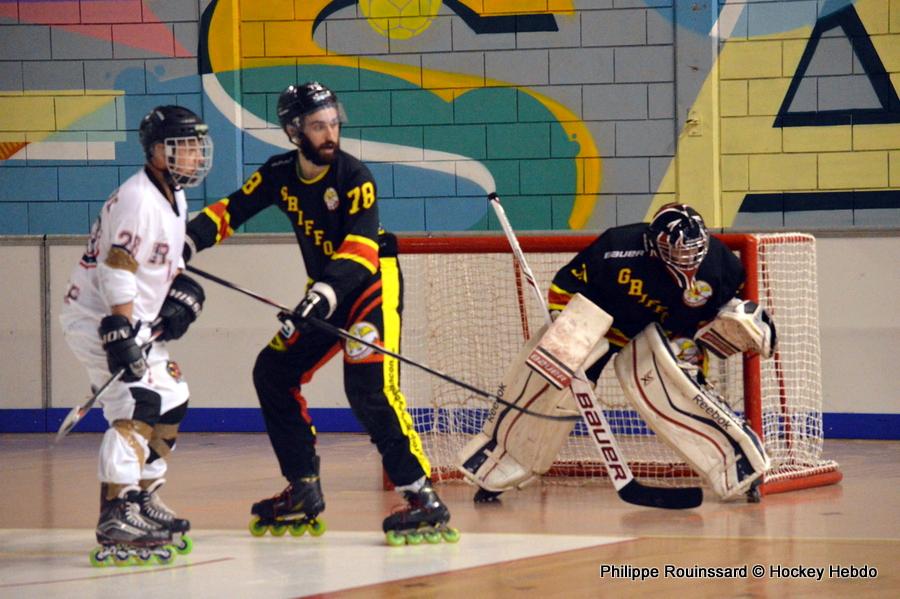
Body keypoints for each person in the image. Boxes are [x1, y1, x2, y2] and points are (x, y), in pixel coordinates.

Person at [182, 81, 457, 545]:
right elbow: (230, 210)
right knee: (273, 370)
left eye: (333, 123)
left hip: (370, 284)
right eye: (317, 125)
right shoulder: (278, 173)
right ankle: (303, 486)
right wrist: (182, 243)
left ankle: (422, 496)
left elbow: (361, 247)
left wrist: (319, 297)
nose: (330, 134)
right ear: (294, 131)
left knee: (369, 389)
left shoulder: (355, 176)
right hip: (325, 292)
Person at [463, 203, 775, 503]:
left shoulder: (723, 265)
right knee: (549, 382)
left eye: (691, 250)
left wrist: (738, 321)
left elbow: (722, 313)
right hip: (602, 325)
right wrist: (565, 328)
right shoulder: (616, 246)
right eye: (676, 251)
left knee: (683, 393)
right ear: (654, 246)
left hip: (669, 335)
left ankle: (738, 470)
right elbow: (565, 284)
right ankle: (500, 464)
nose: (686, 258)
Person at [60, 105, 213, 565]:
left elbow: (161, 260)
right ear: (158, 152)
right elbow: (117, 268)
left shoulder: (175, 196)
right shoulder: (137, 199)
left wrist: (180, 292)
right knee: (137, 404)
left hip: (137, 320)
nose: (194, 154)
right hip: (99, 318)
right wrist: (121, 329)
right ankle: (116, 509)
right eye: (184, 146)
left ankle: (143, 497)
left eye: (195, 145)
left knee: (173, 399)